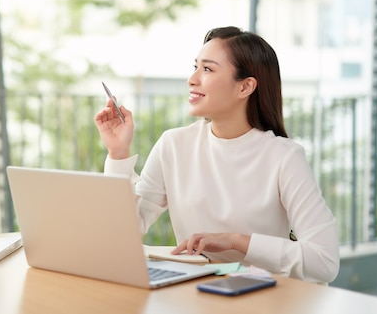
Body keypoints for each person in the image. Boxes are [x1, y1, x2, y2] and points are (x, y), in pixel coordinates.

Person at [94, 26, 340, 283]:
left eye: (208, 69)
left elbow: (324, 262)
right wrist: (118, 153)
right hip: (195, 294)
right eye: (195, 66)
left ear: (245, 87)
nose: (192, 79)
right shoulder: (174, 144)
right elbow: (125, 230)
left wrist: (236, 241)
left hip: (262, 298)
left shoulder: (284, 157)